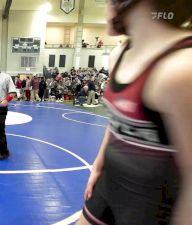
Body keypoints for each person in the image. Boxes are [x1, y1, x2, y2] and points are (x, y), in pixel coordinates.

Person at [77, 1, 192, 225]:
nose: (105, 9)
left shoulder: (180, 68)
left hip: (151, 205)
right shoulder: (119, 55)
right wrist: (98, 167)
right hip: (109, 183)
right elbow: (117, 121)